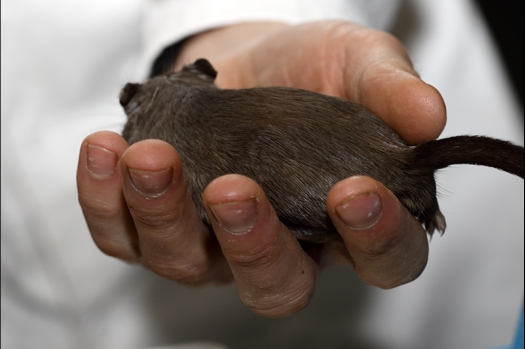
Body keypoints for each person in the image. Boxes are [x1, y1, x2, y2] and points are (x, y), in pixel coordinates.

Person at [2, 0, 523, 348]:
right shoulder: (205, 91)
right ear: (202, 78)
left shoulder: (155, 137)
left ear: (130, 108)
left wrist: (249, 16)